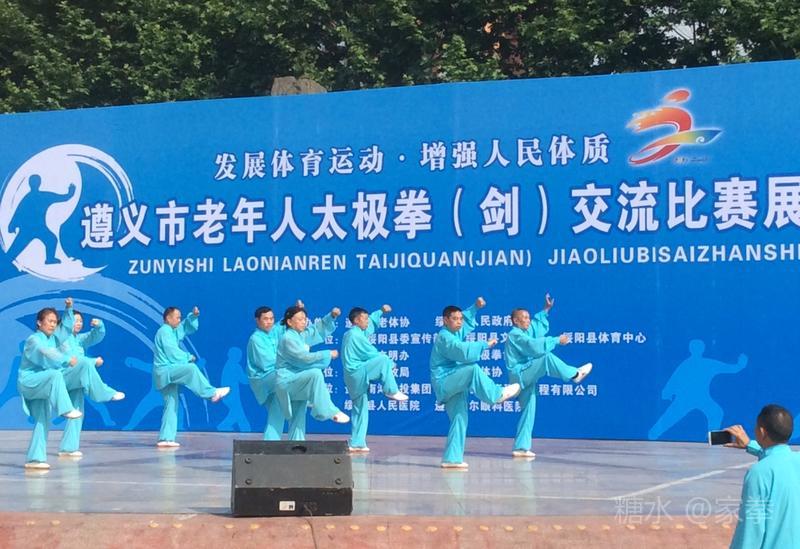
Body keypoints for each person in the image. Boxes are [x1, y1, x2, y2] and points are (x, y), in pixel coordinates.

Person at [430, 297, 520, 469]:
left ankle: (452, 459)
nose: (459, 322)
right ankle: (496, 394)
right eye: (455, 319)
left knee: (460, 418)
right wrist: (484, 344)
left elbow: (466, 321)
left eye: (460, 319)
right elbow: (461, 352)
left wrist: (475, 307)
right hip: (445, 381)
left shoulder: (454, 333)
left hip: (454, 382)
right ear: (445, 320)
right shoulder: (444, 337)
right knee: (472, 369)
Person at [505, 294, 592, 458]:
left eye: (528, 317)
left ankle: (521, 448)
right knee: (546, 358)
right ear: (515, 321)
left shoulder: (526, 331)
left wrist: (545, 309)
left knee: (528, 411)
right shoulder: (515, 334)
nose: (528, 320)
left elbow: (536, 328)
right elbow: (533, 346)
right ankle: (575, 374)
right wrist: (557, 340)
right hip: (520, 374)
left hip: (525, 375)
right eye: (524, 318)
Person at [246, 301, 338, 440]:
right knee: (284, 398)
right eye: (265, 319)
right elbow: (267, 363)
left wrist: (330, 317)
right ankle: (272, 444)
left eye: (271, 318)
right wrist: (295, 361)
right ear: (257, 320)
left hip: (282, 375)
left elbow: (303, 330)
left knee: (292, 404)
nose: (269, 322)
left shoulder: (278, 330)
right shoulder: (256, 339)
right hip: (267, 378)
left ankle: (295, 443)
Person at [54, 297, 125, 457]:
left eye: (81, 321)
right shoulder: (60, 336)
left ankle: (68, 448)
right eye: (76, 320)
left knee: (77, 411)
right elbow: (73, 360)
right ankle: (104, 393)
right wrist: (69, 308)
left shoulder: (79, 340)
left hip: (76, 378)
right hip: (63, 377)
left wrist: (99, 326)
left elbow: (94, 337)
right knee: (86, 363)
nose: (79, 323)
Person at [153, 306, 230, 447]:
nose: (179, 320)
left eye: (180, 317)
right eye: (177, 317)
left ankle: (165, 438)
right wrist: (188, 357)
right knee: (191, 369)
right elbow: (171, 351)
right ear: (168, 318)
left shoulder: (172, 331)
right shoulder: (164, 331)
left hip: (166, 373)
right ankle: (211, 393)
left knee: (171, 404)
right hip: (166, 371)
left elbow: (185, 328)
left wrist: (193, 316)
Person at [724, 404, 800, 548]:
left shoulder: (759, 472)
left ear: (762, 431)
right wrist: (749, 444)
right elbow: (777, 457)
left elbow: (751, 529)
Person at [17, 307, 83, 469]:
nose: (53, 325)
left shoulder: (53, 339)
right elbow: (46, 354)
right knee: (55, 375)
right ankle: (65, 408)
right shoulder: (34, 340)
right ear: (39, 323)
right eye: (49, 321)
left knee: (43, 419)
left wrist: (69, 309)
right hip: (30, 382)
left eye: (55, 322)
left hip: (42, 382)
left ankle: (35, 459)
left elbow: (65, 330)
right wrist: (66, 360)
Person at [275, 305, 349, 439]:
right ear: (289, 322)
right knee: (315, 374)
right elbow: (303, 358)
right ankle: (326, 410)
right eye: (299, 319)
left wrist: (331, 316)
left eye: (304, 319)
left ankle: (297, 445)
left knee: (298, 417)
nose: (303, 322)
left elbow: (316, 330)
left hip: (297, 380)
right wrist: (327, 354)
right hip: (287, 381)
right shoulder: (288, 338)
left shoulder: (300, 335)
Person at [342, 304, 408, 452]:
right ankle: (391, 389)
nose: (367, 321)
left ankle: (357, 442)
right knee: (383, 360)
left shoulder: (358, 332)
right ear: (356, 320)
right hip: (357, 373)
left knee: (360, 409)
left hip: (354, 375)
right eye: (364, 319)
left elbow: (371, 323)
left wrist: (381, 311)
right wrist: (390, 363)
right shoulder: (354, 335)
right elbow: (370, 352)